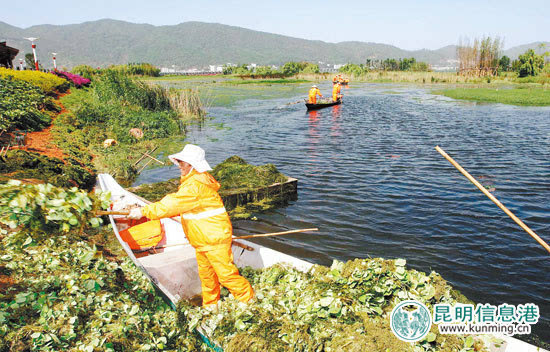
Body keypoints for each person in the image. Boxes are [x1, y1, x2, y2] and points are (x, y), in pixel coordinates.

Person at [128, 144, 254, 306]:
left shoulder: (195, 185)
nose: (179, 165)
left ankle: (249, 301)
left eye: (182, 161)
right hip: (203, 240)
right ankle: (211, 306)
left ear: (192, 164)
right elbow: (180, 206)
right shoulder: (194, 182)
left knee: (226, 276)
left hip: (213, 239)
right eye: (179, 161)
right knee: (207, 277)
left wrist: (144, 211)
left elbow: (172, 204)